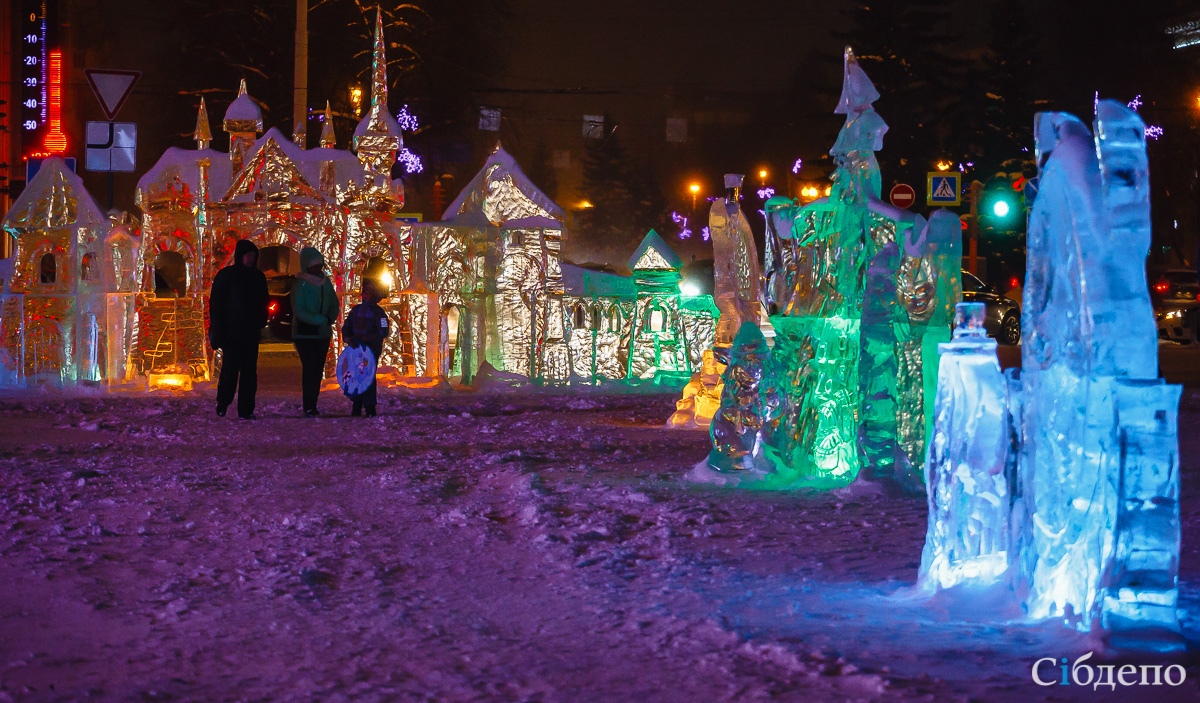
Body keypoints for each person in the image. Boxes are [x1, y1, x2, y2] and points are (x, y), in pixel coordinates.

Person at [209, 239, 269, 419]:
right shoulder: (227, 276)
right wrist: (218, 330)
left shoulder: (258, 277)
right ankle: (223, 402)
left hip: (250, 333)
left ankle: (246, 409)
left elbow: (263, 302)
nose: (250, 259)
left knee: (249, 373)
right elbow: (217, 305)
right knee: (230, 370)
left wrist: (260, 321)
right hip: (232, 333)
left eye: (253, 256)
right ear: (240, 256)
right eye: (248, 255)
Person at [291, 246, 339, 417]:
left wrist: (331, 316)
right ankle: (308, 404)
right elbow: (299, 309)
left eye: (319, 265)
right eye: (314, 265)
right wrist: (319, 319)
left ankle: (313, 402)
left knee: (317, 368)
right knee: (310, 366)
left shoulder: (325, 283)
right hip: (305, 333)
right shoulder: (301, 284)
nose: (318, 269)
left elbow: (333, 302)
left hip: (322, 333)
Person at [341, 277, 391, 417]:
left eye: (369, 292)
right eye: (365, 292)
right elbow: (347, 327)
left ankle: (369, 406)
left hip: (371, 350)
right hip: (357, 348)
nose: (366, 295)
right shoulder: (355, 311)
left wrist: (369, 338)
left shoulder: (379, 313)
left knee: (368, 376)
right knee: (357, 374)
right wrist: (349, 339)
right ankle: (357, 404)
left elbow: (383, 331)